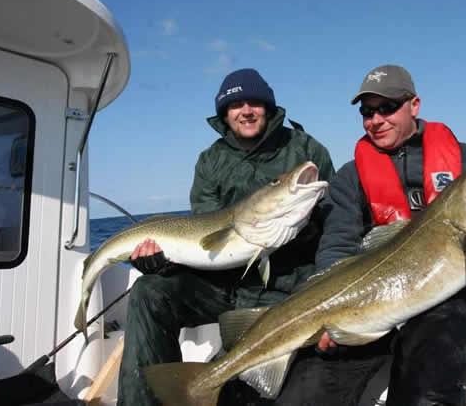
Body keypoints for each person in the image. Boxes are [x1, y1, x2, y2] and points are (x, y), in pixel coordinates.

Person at [116, 68, 335, 406]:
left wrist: (303, 230)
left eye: (255, 103)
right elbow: (205, 239)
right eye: (235, 105)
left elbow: (334, 223)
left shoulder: (304, 150)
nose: (246, 111)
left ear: (269, 107)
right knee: (149, 292)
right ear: (224, 114)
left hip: (287, 286)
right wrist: (159, 262)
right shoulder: (210, 161)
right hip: (223, 285)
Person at [275, 64, 466, 406]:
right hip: (364, 304)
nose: (376, 120)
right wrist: (327, 315)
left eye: (387, 108)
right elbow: (336, 249)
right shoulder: (350, 177)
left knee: (427, 394)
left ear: (414, 105)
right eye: (367, 112)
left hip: (446, 296)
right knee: (303, 394)